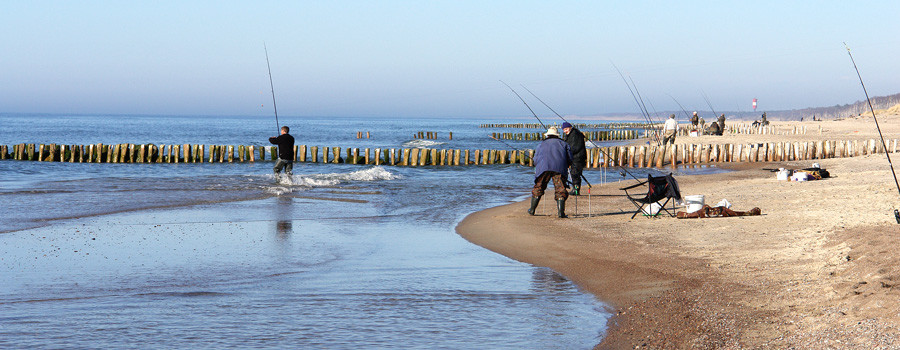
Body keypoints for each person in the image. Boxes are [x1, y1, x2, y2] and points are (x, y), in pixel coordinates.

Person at [528, 127, 573, 218]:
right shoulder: (564, 144)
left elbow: (536, 159)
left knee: (539, 187)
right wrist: (567, 165)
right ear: (557, 135)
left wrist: (538, 166)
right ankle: (561, 213)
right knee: (560, 189)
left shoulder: (541, 144)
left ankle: (532, 210)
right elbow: (570, 158)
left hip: (543, 168)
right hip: (559, 168)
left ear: (547, 135)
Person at [561, 122, 586, 195]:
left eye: (566, 129)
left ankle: (576, 191)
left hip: (578, 157)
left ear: (570, 127)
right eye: (564, 129)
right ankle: (575, 189)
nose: (565, 131)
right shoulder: (571, 135)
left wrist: (567, 153)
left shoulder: (575, 134)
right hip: (574, 157)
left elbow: (575, 147)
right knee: (574, 173)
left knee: (575, 173)